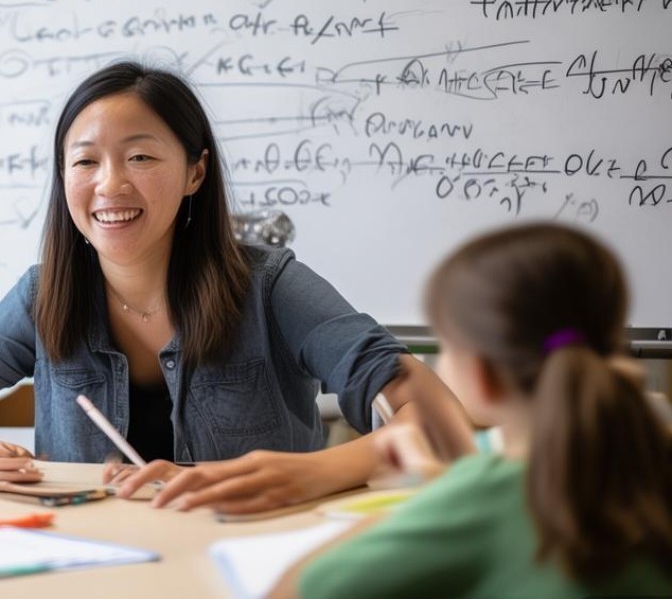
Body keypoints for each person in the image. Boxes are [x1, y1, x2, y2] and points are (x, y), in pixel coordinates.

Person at [0, 61, 464, 514]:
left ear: (195, 173)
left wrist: (309, 472)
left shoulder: (270, 287)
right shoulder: (44, 292)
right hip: (93, 560)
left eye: (141, 157)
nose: (110, 184)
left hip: (250, 554)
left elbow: (434, 417)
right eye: (85, 161)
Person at [274, 223, 672, 598]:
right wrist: (440, 486)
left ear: (482, 376)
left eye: (445, 346)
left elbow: (297, 589)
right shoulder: (649, 458)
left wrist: (424, 505)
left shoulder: (480, 498)